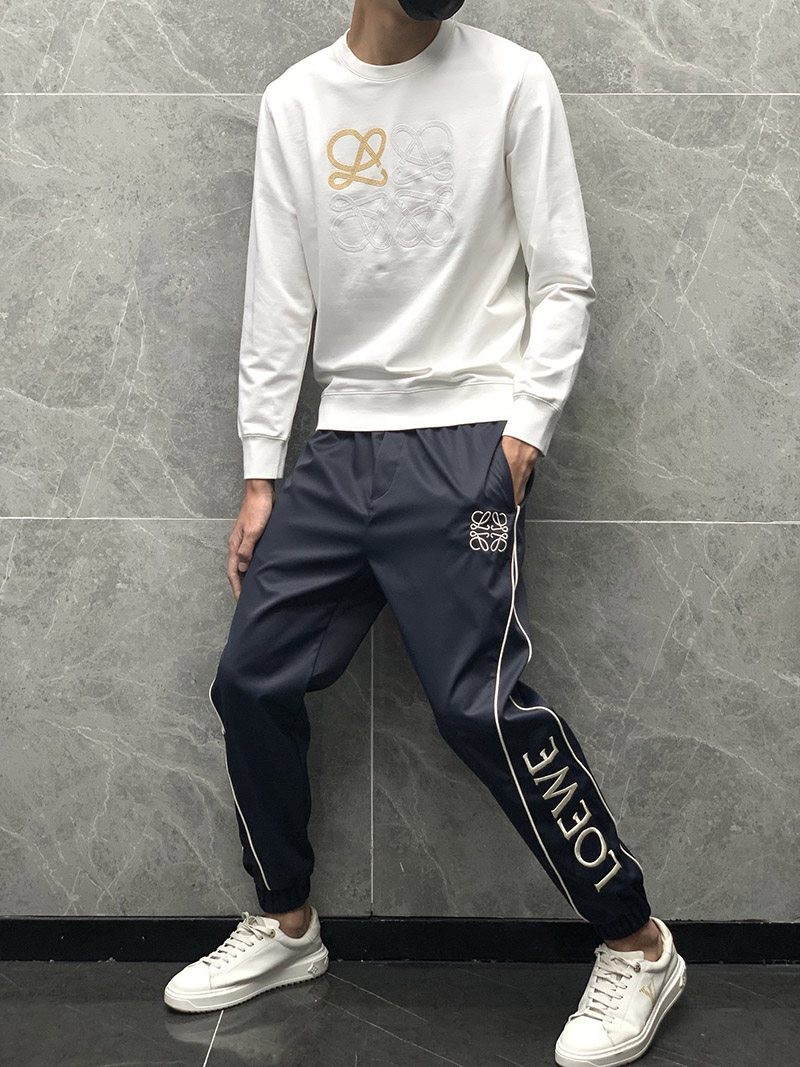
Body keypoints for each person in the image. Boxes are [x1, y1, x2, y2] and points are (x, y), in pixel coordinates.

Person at [164, 1, 687, 1062]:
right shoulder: (297, 101)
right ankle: (286, 921)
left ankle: (636, 941)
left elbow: (564, 275)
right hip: (339, 446)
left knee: (475, 706)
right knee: (250, 677)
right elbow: (277, 297)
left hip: (464, 444)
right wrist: (262, 471)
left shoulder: (512, 79)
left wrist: (522, 436)